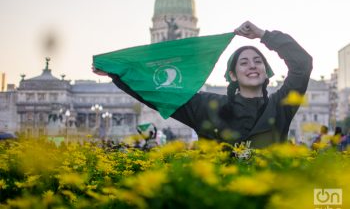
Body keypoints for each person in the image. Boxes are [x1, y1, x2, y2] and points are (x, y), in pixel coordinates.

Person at [93, 21, 313, 148]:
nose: (252, 66)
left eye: (258, 62)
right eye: (243, 63)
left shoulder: (280, 105)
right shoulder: (207, 107)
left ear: (266, 73)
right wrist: (119, 74)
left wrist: (264, 35)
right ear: (232, 75)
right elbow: (158, 93)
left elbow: (302, 64)